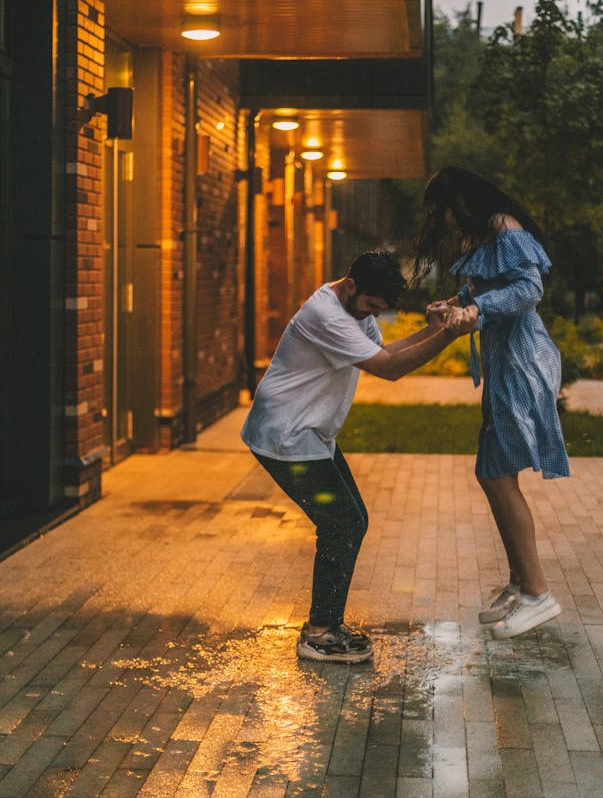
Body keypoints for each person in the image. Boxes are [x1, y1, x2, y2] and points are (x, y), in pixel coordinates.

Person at [241, 250, 476, 664]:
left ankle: (325, 625)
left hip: (309, 436)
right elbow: (388, 369)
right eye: (370, 306)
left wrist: (430, 329)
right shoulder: (326, 315)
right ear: (351, 286)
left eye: (379, 310)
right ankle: (319, 633)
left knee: (350, 521)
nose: (372, 315)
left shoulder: (352, 309)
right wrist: (447, 335)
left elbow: (383, 353)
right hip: (284, 437)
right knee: (344, 522)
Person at [413, 166, 569, 639]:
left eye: (442, 210)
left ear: (458, 200)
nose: (443, 221)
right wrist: (452, 304)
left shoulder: (504, 226)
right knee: (492, 473)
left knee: (499, 476)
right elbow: (484, 288)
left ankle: (539, 595)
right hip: (505, 364)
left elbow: (527, 289)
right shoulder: (486, 236)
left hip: (522, 363)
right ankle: (521, 585)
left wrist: (476, 310)